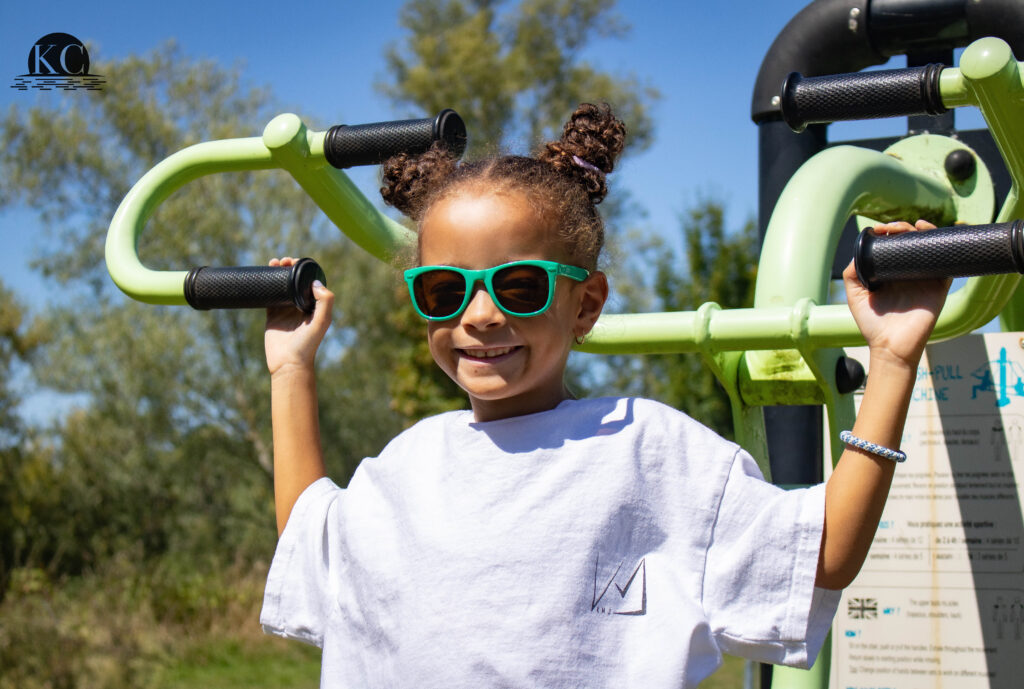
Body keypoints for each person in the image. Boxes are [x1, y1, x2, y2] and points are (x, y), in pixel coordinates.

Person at [259, 103, 950, 687]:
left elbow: (822, 552)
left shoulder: (646, 452)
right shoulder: (406, 468)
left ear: (586, 303)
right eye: (445, 291)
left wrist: (890, 359)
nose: (479, 314)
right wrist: (292, 368)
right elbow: (312, 541)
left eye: (519, 285)